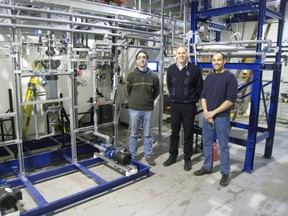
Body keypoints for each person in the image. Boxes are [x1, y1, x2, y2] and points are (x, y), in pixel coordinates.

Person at [193, 52, 238, 187]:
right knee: (206, 143)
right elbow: (203, 96)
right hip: (208, 117)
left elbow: (230, 100)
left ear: (225, 61)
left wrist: (213, 113)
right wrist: (206, 112)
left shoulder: (230, 78)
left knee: (223, 146)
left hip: (222, 118)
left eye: (219, 60)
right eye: (214, 60)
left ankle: (225, 173)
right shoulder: (209, 77)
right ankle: (207, 167)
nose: (216, 62)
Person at [163, 45, 203, 171]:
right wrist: (175, 96)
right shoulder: (171, 69)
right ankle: (172, 156)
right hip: (175, 105)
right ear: (176, 55)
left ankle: (187, 158)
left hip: (189, 106)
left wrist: (192, 100)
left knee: (188, 133)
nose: (181, 55)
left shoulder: (195, 70)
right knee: (174, 132)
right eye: (179, 53)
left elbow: (199, 88)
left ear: (187, 55)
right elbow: (169, 85)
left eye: (183, 53)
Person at [124, 50, 159, 166]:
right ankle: (133, 155)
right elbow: (126, 92)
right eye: (139, 57)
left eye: (144, 57)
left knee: (147, 133)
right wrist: (133, 101)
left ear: (147, 60)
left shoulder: (153, 76)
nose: (142, 59)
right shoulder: (131, 76)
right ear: (136, 60)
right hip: (134, 109)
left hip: (147, 109)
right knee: (134, 133)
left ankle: (148, 155)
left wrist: (149, 100)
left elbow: (157, 91)